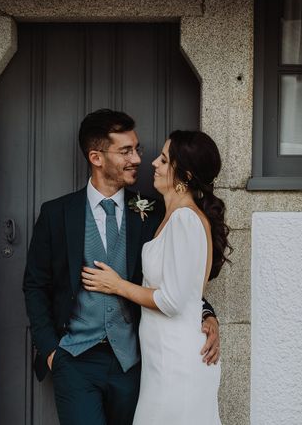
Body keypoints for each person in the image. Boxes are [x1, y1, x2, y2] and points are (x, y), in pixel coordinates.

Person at [23, 110, 221, 425]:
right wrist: (51, 351)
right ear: (96, 157)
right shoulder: (56, 214)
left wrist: (206, 314)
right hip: (74, 361)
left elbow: (179, 274)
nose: (139, 159)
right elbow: (35, 285)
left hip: (134, 363)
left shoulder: (155, 210)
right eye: (126, 151)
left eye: (137, 149)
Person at [82, 130, 230, 425]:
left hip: (176, 364)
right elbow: (187, 291)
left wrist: (117, 285)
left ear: (184, 174)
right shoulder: (173, 216)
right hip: (162, 362)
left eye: (164, 159)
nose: (154, 164)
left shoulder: (185, 220)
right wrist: (207, 313)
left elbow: (172, 300)